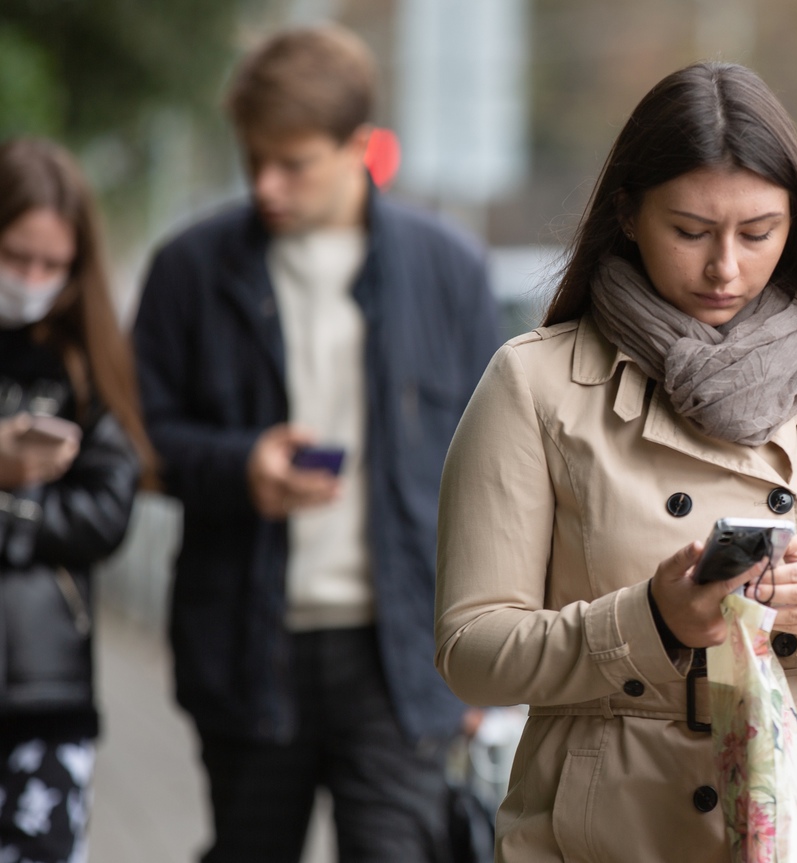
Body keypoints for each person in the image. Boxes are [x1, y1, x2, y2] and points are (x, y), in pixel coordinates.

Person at [434, 61, 797, 862]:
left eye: (758, 233)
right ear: (628, 214)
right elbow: (472, 652)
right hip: (607, 828)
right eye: (690, 231)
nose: (726, 269)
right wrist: (648, 621)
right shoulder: (534, 382)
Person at [131, 24, 502, 863]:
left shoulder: (449, 271)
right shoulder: (190, 269)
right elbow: (139, 438)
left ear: (359, 149)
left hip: (405, 657)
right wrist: (240, 465)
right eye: (252, 158)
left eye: (292, 163)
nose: (266, 184)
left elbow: (505, 473)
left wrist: (491, 659)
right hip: (245, 648)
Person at [0, 137, 148, 863]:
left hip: (43, 690)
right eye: (15, 255)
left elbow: (106, 512)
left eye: (50, 265)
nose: (30, 279)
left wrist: (13, 514)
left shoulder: (87, 360)